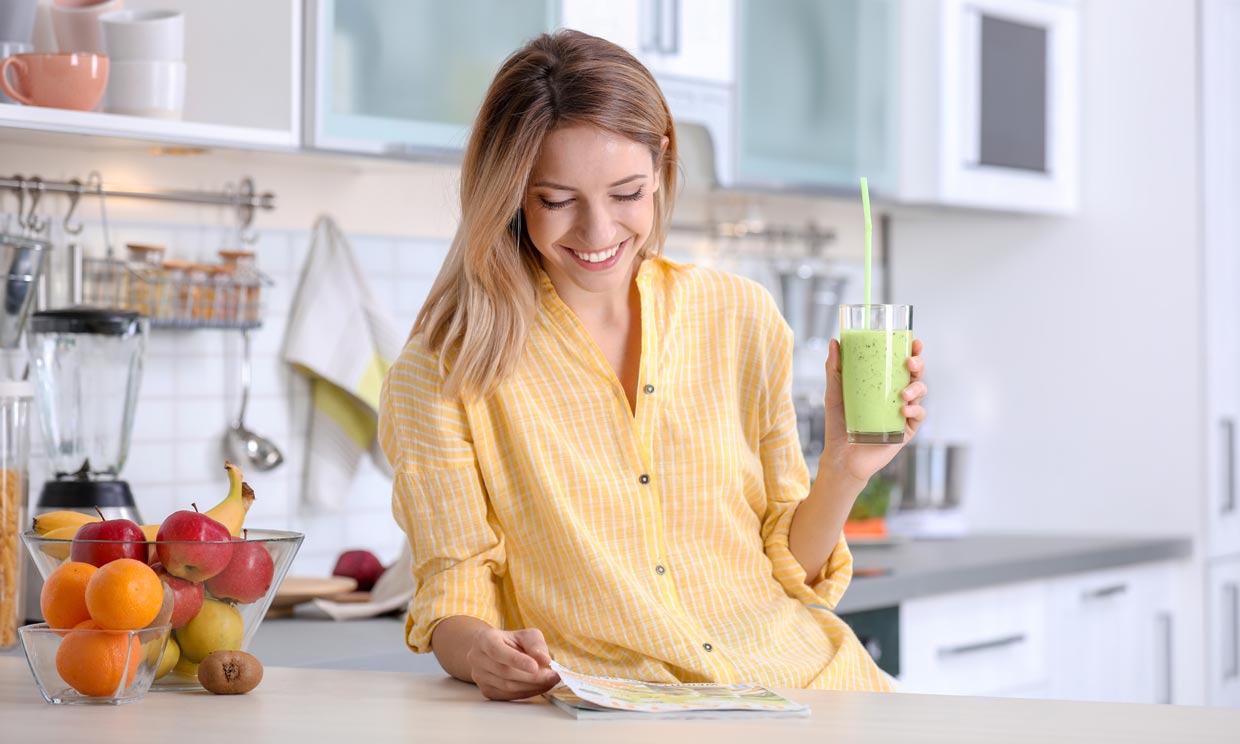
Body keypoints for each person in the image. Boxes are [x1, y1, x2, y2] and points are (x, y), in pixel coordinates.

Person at [379, 29, 927, 701]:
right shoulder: (442, 372)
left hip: (815, 689)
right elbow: (453, 591)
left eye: (627, 192)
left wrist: (843, 469)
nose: (599, 231)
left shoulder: (739, 314)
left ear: (663, 163)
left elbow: (791, 572)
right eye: (557, 200)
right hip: (631, 712)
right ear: (511, 192)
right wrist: (481, 653)